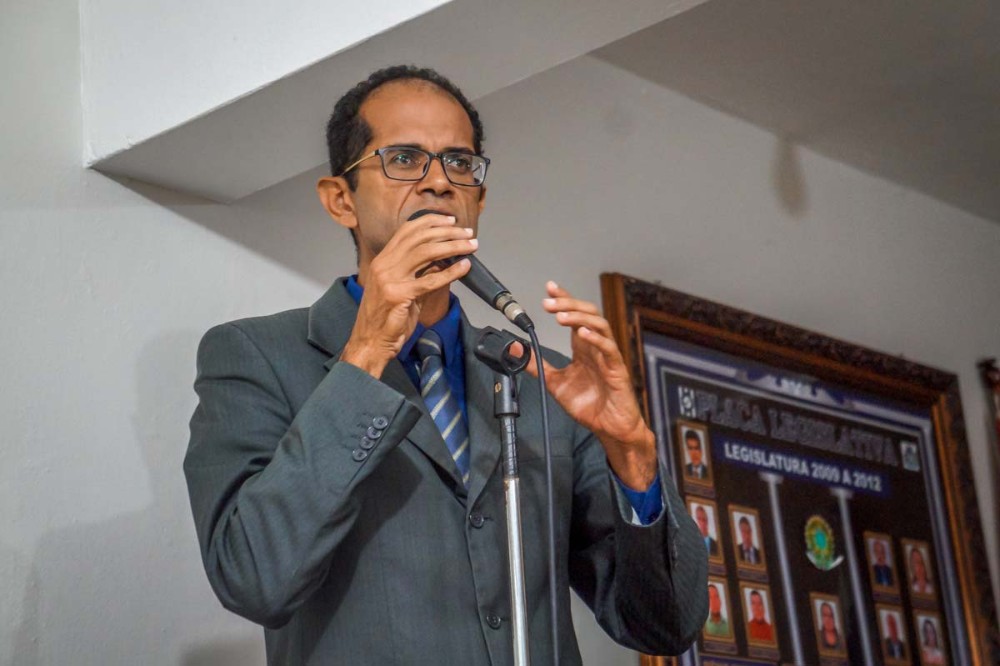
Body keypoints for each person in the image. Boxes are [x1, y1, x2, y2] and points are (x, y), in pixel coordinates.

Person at [183, 65, 708, 665]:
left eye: (459, 163)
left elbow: (666, 626)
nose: (438, 182)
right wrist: (365, 355)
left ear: (479, 198)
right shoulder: (256, 356)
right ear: (340, 200)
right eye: (405, 159)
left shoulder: (542, 380)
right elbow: (252, 577)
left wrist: (633, 453)